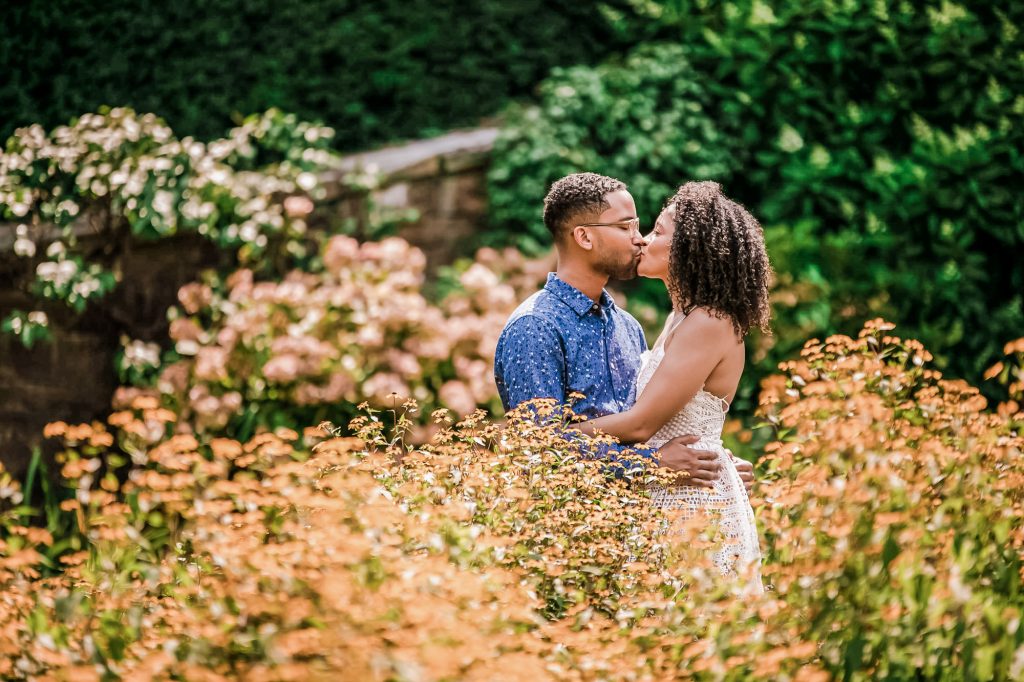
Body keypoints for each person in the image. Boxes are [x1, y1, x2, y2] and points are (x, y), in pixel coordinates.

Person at [494, 172, 751, 488]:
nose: (639, 237)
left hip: (644, 524)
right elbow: (537, 455)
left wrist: (716, 461)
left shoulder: (627, 326)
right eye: (624, 226)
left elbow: (657, 421)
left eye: (639, 225)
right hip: (569, 531)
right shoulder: (534, 328)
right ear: (585, 237)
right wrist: (650, 465)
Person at [575, 180, 771, 585]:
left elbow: (642, 423)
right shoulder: (679, 318)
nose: (643, 241)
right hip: (670, 490)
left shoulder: (710, 323)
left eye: (658, 232)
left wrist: (551, 439)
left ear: (690, 250)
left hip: (695, 502)